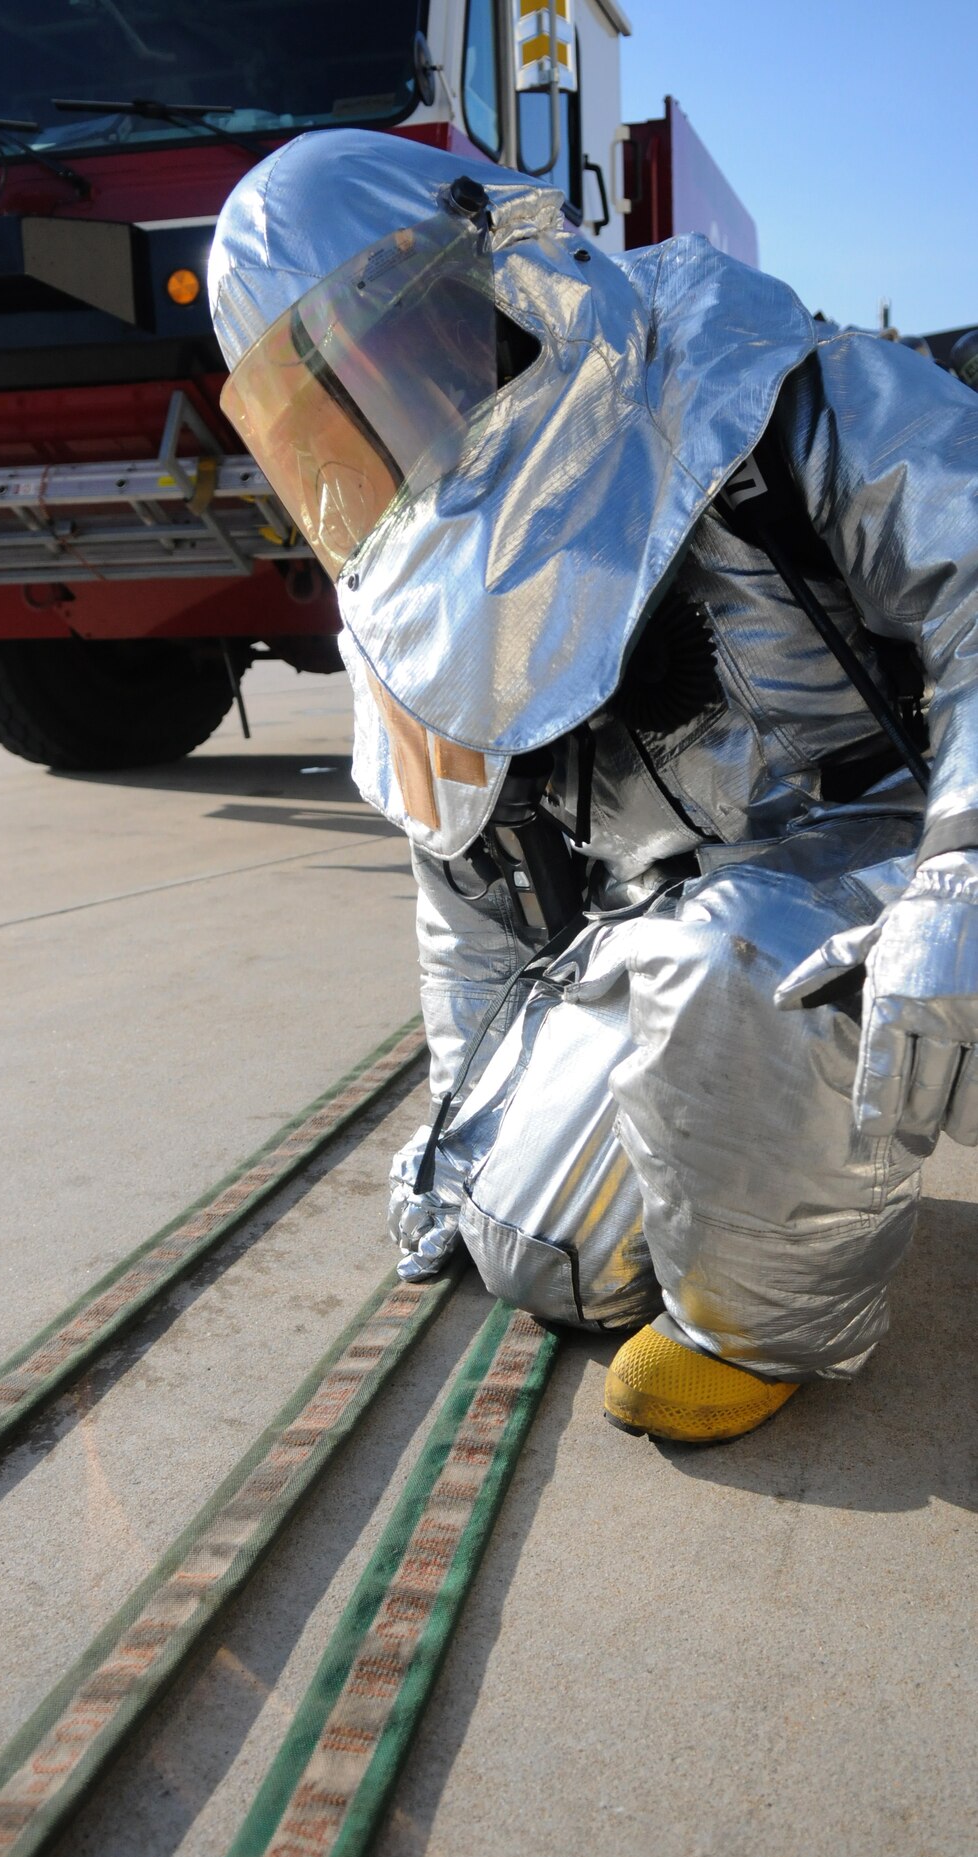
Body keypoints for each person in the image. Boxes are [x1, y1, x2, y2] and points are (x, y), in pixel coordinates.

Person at [208, 130, 978, 1444]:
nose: (387, 395)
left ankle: (756, 1331)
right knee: (534, 1249)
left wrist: (958, 872)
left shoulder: (770, 390)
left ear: (497, 275)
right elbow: (465, 907)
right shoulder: (413, 606)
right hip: (672, 929)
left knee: (734, 955)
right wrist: (452, 1129)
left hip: (907, 850)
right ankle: (753, 1138)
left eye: (395, 340)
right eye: (337, 387)